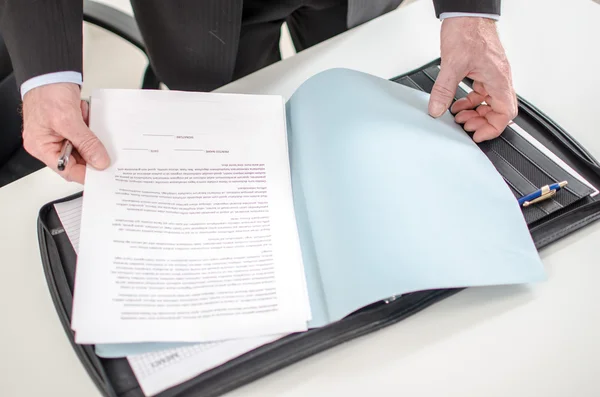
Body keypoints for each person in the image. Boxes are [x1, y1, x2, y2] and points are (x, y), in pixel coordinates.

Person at [0, 0, 517, 184]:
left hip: (357, 4)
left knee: (359, 101)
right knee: (228, 138)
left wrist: (470, 11)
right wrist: (47, 75)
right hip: (203, 14)